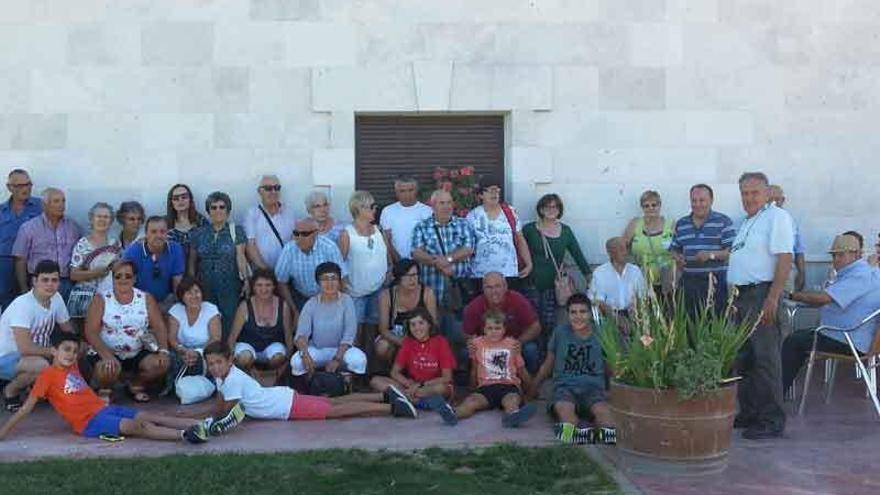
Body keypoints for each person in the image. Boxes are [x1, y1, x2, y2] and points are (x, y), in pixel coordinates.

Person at [0, 331, 209, 443]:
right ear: (53, 351)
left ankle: (204, 424)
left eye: (74, 351)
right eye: (66, 349)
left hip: (103, 409)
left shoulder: (72, 364)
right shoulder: (47, 375)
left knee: (151, 416)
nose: (71, 354)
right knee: (139, 427)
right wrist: (3, 432)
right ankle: (186, 435)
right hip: (89, 422)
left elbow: (83, 347)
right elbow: (26, 409)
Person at [205, 341, 418, 426]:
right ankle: (384, 395)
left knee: (338, 411)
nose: (214, 367)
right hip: (284, 398)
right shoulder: (224, 376)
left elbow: (226, 412)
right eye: (211, 364)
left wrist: (205, 421)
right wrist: (206, 415)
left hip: (287, 406)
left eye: (218, 362)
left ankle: (392, 407)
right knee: (335, 403)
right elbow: (220, 404)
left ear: (230, 360)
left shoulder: (232, 379)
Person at [727, 172, 794, 440]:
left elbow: (785, 258)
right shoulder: (748, 221)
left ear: (767, 193)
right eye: (744, 193)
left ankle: (771, 419)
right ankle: (750, 412)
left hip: (761, 294)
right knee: (745, 358)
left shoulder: (777, 217)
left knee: (765, 359)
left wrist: (773, 298)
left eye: (754, 192)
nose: (749, 198)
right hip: (742, 297)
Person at [782, 234, 880, 394]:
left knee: (793, 342)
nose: (836, 260)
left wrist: (790, 295)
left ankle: (775, 396)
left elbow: (824, 298)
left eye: (841, 255)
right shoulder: (867, 272)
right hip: (853, 337)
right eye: (833, 255)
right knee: (800, 338)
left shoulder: (859, 276)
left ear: (855, 254)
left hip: (847, 340)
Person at [528, 293, 616, 445]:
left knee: (608, 427)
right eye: (573, 312)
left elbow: (611, 366)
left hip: (594, 389)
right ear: (567, 314)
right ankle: (575, 429)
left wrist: (616, 392)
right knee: (567, 416)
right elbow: (548, 364)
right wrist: (532, 389)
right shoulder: (560, 333)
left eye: (583, 312)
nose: (578, 316)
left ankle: (591, 429)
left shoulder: (601, 333)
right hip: (565, 388)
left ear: (591, 314)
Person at [84, 260, 171, 402]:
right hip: (107, 351)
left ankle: (135, 384)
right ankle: (105, 388)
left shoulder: (146, 298)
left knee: (161, 364)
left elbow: (159, 326)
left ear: (135, 278)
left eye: (128, 276)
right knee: (108, 367)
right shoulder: (101, 299)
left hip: (138, 351)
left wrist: (164, 351)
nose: (123, 279)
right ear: (112, 278)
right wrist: (106, 355)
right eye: (118, 276)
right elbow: (91, 331)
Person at [0, 260, 74, 412]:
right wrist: (56, 352)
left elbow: (68, 331)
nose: (50, 284)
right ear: (34, 281)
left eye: (54, 280)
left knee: (73, 353)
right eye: (45, 280)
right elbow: (25, 348)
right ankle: (10, 391)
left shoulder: (56, 298)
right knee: (41, 366)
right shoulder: (23, 305)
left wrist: (76, 346)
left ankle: (41, 389)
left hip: (35, 355)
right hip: (7, 357)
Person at [411, 190, 476, 355]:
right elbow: (416, 252)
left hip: (458, 291)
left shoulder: (464, 224)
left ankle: (460, 367)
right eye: (442, 203)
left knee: (460, 334)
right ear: (432, 205)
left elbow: (468, 248)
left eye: (449, 202)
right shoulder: (421, 226)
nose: (447, 206)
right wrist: (437, 262)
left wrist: (447, 260)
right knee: (434, 333)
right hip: (432, 292)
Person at [447, 310, 536, 427]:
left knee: (512, 400)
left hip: (508, 386)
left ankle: (512, 416)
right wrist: (472, 388)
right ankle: (453, 414)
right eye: (490, 328)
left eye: (497, 328)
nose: (493, 332)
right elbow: (474, 367)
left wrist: (529, 392)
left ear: (504, 329)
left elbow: (521, 369)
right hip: (485, 387)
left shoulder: (512, 344)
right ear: (484, 329)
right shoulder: (477, 344)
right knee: (472, 401)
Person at [522, 193, 591, 337]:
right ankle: (533, 350)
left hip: (554, 285)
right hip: (530, 283)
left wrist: (588, 276)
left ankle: (548, 350)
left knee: (549, 322)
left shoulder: (565, 231)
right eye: (547, 207)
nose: (551, 210)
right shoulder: (529, 229)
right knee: (531, 322)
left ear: (560, 210)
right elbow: (518, 251)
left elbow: (577, 254)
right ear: (541, 209)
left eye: (555, 207)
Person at [668, 184, 736, 315]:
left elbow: (733, 252)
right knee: (689, 323)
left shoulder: (723, 221)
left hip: (715, 282)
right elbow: (674, 249)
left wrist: (710, 255)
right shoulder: (682, 223)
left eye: (702, 200)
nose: (697, 204)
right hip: (688, 282)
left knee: (715, 322)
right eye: (694, 201)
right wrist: (677, 258)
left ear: (711, 201)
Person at [369, 308, 456, 409]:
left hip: (431, 386)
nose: (417, 328)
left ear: (429, 324)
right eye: (413, 324)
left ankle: (408, 399)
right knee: (376, 381)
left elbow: (447, 377)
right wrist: (409, 384)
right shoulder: (408, 342)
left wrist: (421, 385)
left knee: (442, 388)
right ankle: (418, 401)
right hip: (412, 386)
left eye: (421, 323)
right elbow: (394, 372)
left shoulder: (441, 342)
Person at [290, 262, 366, 377]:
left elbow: (349, 335)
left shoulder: (347, 300)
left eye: (333, 278)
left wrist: (337, 359)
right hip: (317, 349)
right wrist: (305, 355)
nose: (329, 283)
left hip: (342, 350)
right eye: (324, 279)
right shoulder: (311, 303)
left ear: (339, 281)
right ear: (318, 282)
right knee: (296, 362)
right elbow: (301, 335)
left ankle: (347, 383)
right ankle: (309, 383)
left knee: (359, 360)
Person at [189, 191, 248, 335]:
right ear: (208, 211)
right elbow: (192, 260)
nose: (218, 210)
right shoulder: (198, 233)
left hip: (229, 285)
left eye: (222, 207)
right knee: (207, 320)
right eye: (213, 207)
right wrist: (190, 282)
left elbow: (240, 256)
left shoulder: (236, 231)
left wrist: (246, 280)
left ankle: (227, 347)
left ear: (228, 210)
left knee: (229, 320)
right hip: (205, 285)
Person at [338, 191, 390, 346]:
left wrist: (389, 272)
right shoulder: (346, 234)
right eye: (372, 206)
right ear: (360, 208)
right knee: (355, 333)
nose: (375, 209)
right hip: (355, 293)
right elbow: (339, 264)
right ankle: (357, 360)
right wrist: (344, 289)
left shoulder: (379, 230)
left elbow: (388, 256)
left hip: (379, 290)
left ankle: (371, 360)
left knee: (374, 331)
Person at [462, 272, 542, 373]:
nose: (494, 291)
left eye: (497, 286)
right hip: (487, 345)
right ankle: (478, 379)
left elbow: (536, 327)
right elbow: (467, 333)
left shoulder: (517, 300)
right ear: (483, 289)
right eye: (489, 287)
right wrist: (474, 343)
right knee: (465, 353)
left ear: (505, 287)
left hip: (514, 342)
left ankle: (529, 378)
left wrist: (519, 342)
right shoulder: (474, 306)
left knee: (530, 349)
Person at [12, 187, 82, 301]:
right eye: (56, 201)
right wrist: (24, 289)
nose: (61, 205)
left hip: (66, 283)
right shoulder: (29, 228)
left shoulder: (73, 227)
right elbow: (20, 260)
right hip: (40, 283)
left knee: (65, 312)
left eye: (63, 201)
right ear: (44, 205)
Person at [466, 178, 532, 290]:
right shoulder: (472, 216)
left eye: (496, 190)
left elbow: (520, 239)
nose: (494, 194)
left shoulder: (510, 212)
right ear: (481, 195)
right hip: (481, 274)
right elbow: (467, 246)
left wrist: (528, 263)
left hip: (508, 272)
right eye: (490, 190)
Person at [227, 269, 294, 376]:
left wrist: (287, 363)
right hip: (248, 346)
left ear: (274, 286)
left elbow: (288, 337)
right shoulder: (245, 306)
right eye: (259, 285)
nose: (264, 289)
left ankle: (272, 375)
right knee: (244, 358)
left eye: (268, 285)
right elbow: (232, 337)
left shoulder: (283, 306)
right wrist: (229, 360)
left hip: (272, 347)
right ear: (253, 287)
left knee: (278, 357)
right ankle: (249, 374)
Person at [375, 259, 438, 366]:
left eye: (415, 275)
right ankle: (389, 369)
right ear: (398, 277)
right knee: (382, 346)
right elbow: (383, 329)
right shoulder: (386, 296)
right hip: (395, 337)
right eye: (408, 276)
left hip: (421, 336)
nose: (413, 279)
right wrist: (402, 342)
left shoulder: (427, 293)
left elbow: (433, 324)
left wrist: (419, 340)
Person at [274, 218, 346, 311]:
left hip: (327, 296)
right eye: (296, 233)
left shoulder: (329, 248)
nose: (299, 238)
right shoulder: (289, 250)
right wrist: (294, 309)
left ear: (316, 233)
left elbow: (341, 278)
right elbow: (281, 281)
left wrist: (336, 304)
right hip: (300, 297)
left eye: (305, 234)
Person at [67, 202, 120, 325]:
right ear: (91, 219)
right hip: (87, 298)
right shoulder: (83, 244)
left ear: (111, 221)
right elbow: (73, 275)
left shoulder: (115, 243)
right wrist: (95, 273)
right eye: (98, 216)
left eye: (106, 217)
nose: (102, 220)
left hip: (109, 296)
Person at [122, 216, 185, 310]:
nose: (158, 236)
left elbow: (177, 282)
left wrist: (179, 309)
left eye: (162, 232)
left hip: (166, 300)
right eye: (153, 232)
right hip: (139, 302)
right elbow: (124, 282)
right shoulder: (133, 252)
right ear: (146, 234)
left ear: (167, 233)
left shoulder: (175, 249)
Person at [0, 169, 42, 309]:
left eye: (28, 184)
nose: (26, 189)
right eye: (20, 185)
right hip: (5, 266)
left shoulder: (41, 207)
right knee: (8, 306)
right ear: (9, 187)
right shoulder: (1, 211)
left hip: (32, 264)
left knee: (34, 305)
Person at [167, 277, 222, 376]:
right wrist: (183, 350)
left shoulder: (211, 309)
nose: (194, 296)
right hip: (181, 353)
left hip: (206, 352)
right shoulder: (176, 310)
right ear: (182, 296)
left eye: (197, 292)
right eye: (189, 293)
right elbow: (172, 338)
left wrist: (198, 353)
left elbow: (215, 338)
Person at [623, 190, 674, 295]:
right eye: (646, 206)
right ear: (642, 208)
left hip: (666, 279)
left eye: (654, 205)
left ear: (660, 205)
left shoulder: (671, 225)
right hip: (642, 279)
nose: (650, 208)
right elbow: (622, 246)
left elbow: (680, 249)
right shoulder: (635, 223)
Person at [245, 175, 296, 270]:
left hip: (285, 271)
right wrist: (266, 271)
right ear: (259, 191)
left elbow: (294, 242)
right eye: (268, 188)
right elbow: (250, 245)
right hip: (262, 273)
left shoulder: (289, 213)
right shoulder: (252, 214)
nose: (273, 192)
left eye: (277, 188)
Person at [588, 237, 647, 318]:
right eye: (621, 249)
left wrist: (635, 310)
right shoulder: (600, 273)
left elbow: (643, 295)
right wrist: (615, 317)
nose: (625, 252)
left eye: (626, 248)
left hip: (633, 315)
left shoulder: (635, 271)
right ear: (610, 253)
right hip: (608, 316)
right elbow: (597, 300)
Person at [379, 176, 433, 262]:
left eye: (410, 190)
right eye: (402, 191)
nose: (407, 194)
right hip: (397, 261)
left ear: (416, 191)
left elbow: (431, 239)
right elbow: (386, 240)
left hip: (422, 261)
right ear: (396, 193)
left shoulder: (428, 211)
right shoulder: (387, 211)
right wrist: (397, 260)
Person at [769, 184, 806, 291]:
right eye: (770, 200)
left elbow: (798, 250)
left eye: (777, 200)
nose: (773, 203)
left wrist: (802, 273)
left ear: (783, 200)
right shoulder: (758, 220)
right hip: (763, 274)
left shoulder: (790, 221)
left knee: (786, 299)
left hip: (786, 273)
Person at [166, 184, 207, 265]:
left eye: (184, 197)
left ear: (190, 200)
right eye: (176, 198)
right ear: (171, 202)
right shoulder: (164, 223)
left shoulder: (201, 222)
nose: (180, 201)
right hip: (172, 269)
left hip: (199, 269)